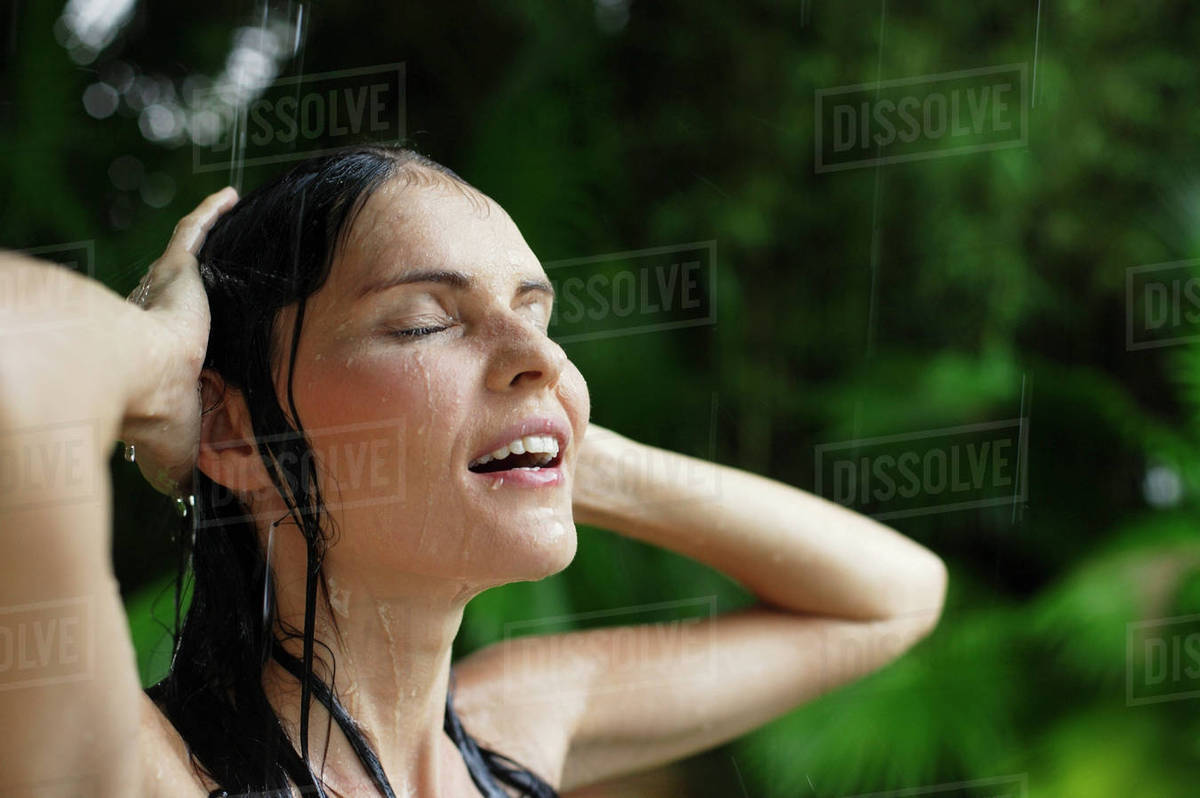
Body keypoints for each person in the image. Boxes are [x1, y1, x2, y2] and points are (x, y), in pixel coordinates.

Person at [0, 146, 947, 797]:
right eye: (423, 322)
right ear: (238, 435)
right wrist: (162, 368)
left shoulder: (511, 730)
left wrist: (565, 443)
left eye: (536, 316)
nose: (539, 356)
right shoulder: (140, 772)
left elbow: (892, 595)